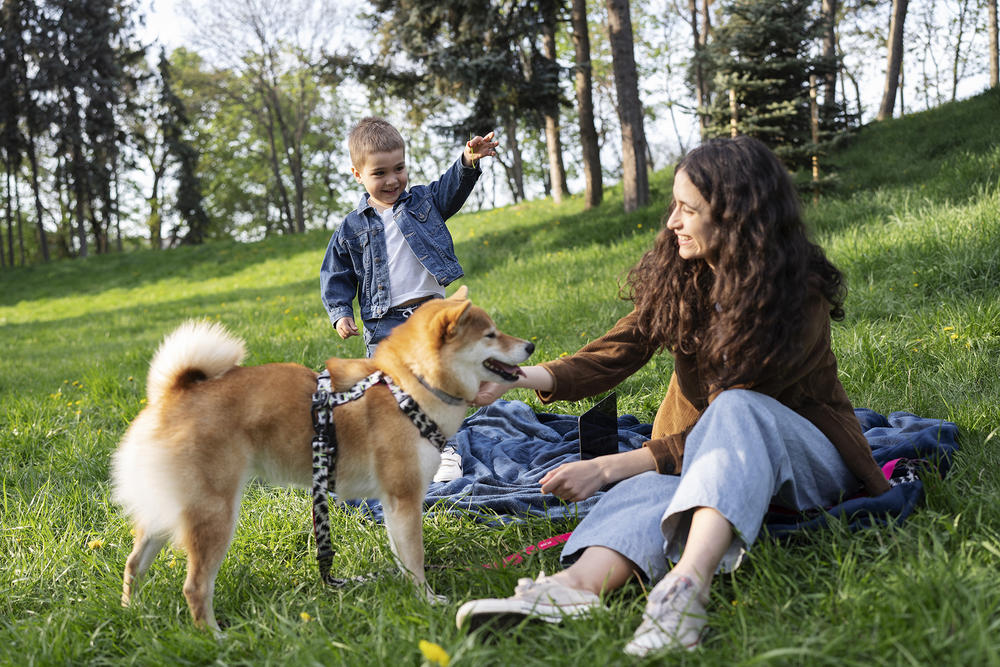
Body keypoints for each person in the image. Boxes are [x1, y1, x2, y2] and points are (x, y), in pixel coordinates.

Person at [455, 136, 890, 656]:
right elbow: (619, 350)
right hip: (695, 456)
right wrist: (520, 377)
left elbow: (738, 416)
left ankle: (686, 589)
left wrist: (613, 465)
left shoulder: (798, 297)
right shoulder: (684, 270)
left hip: (804, 460)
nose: (672, 222)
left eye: (689, 209)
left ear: (735, 218)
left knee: (719, 419)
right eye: (674, 206)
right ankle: (571, 590)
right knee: (646, 488)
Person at [320, 117, 498, 482]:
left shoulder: (423, 201)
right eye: (379, 173)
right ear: (357, 174)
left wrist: (468, 161)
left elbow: (451, 189)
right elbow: (336, 273)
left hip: (432, 315)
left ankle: (443, 450)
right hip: (384, 321)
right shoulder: (352, 227)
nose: (391, 180)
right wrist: (340, 312)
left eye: (399, 168)